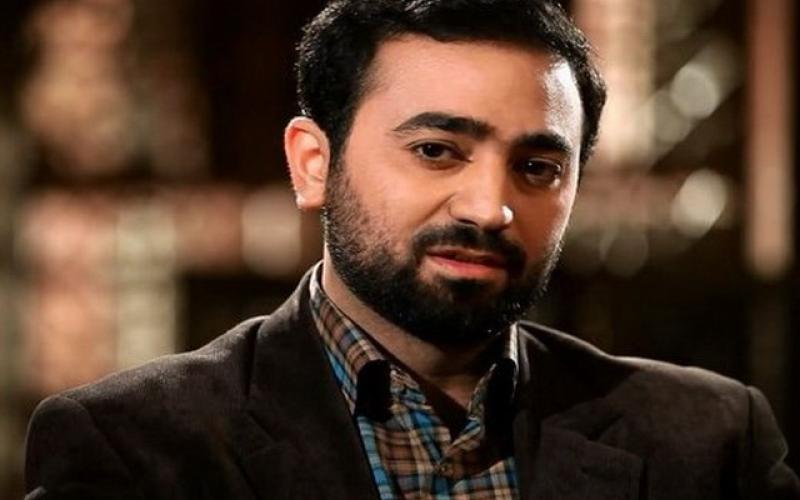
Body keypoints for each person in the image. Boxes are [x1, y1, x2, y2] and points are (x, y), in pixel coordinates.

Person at [25, 0, 799, 498]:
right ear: (313, 164)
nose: (490, 208)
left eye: (537, 168)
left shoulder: (709, 441)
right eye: (436, 151)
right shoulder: (134, 448)